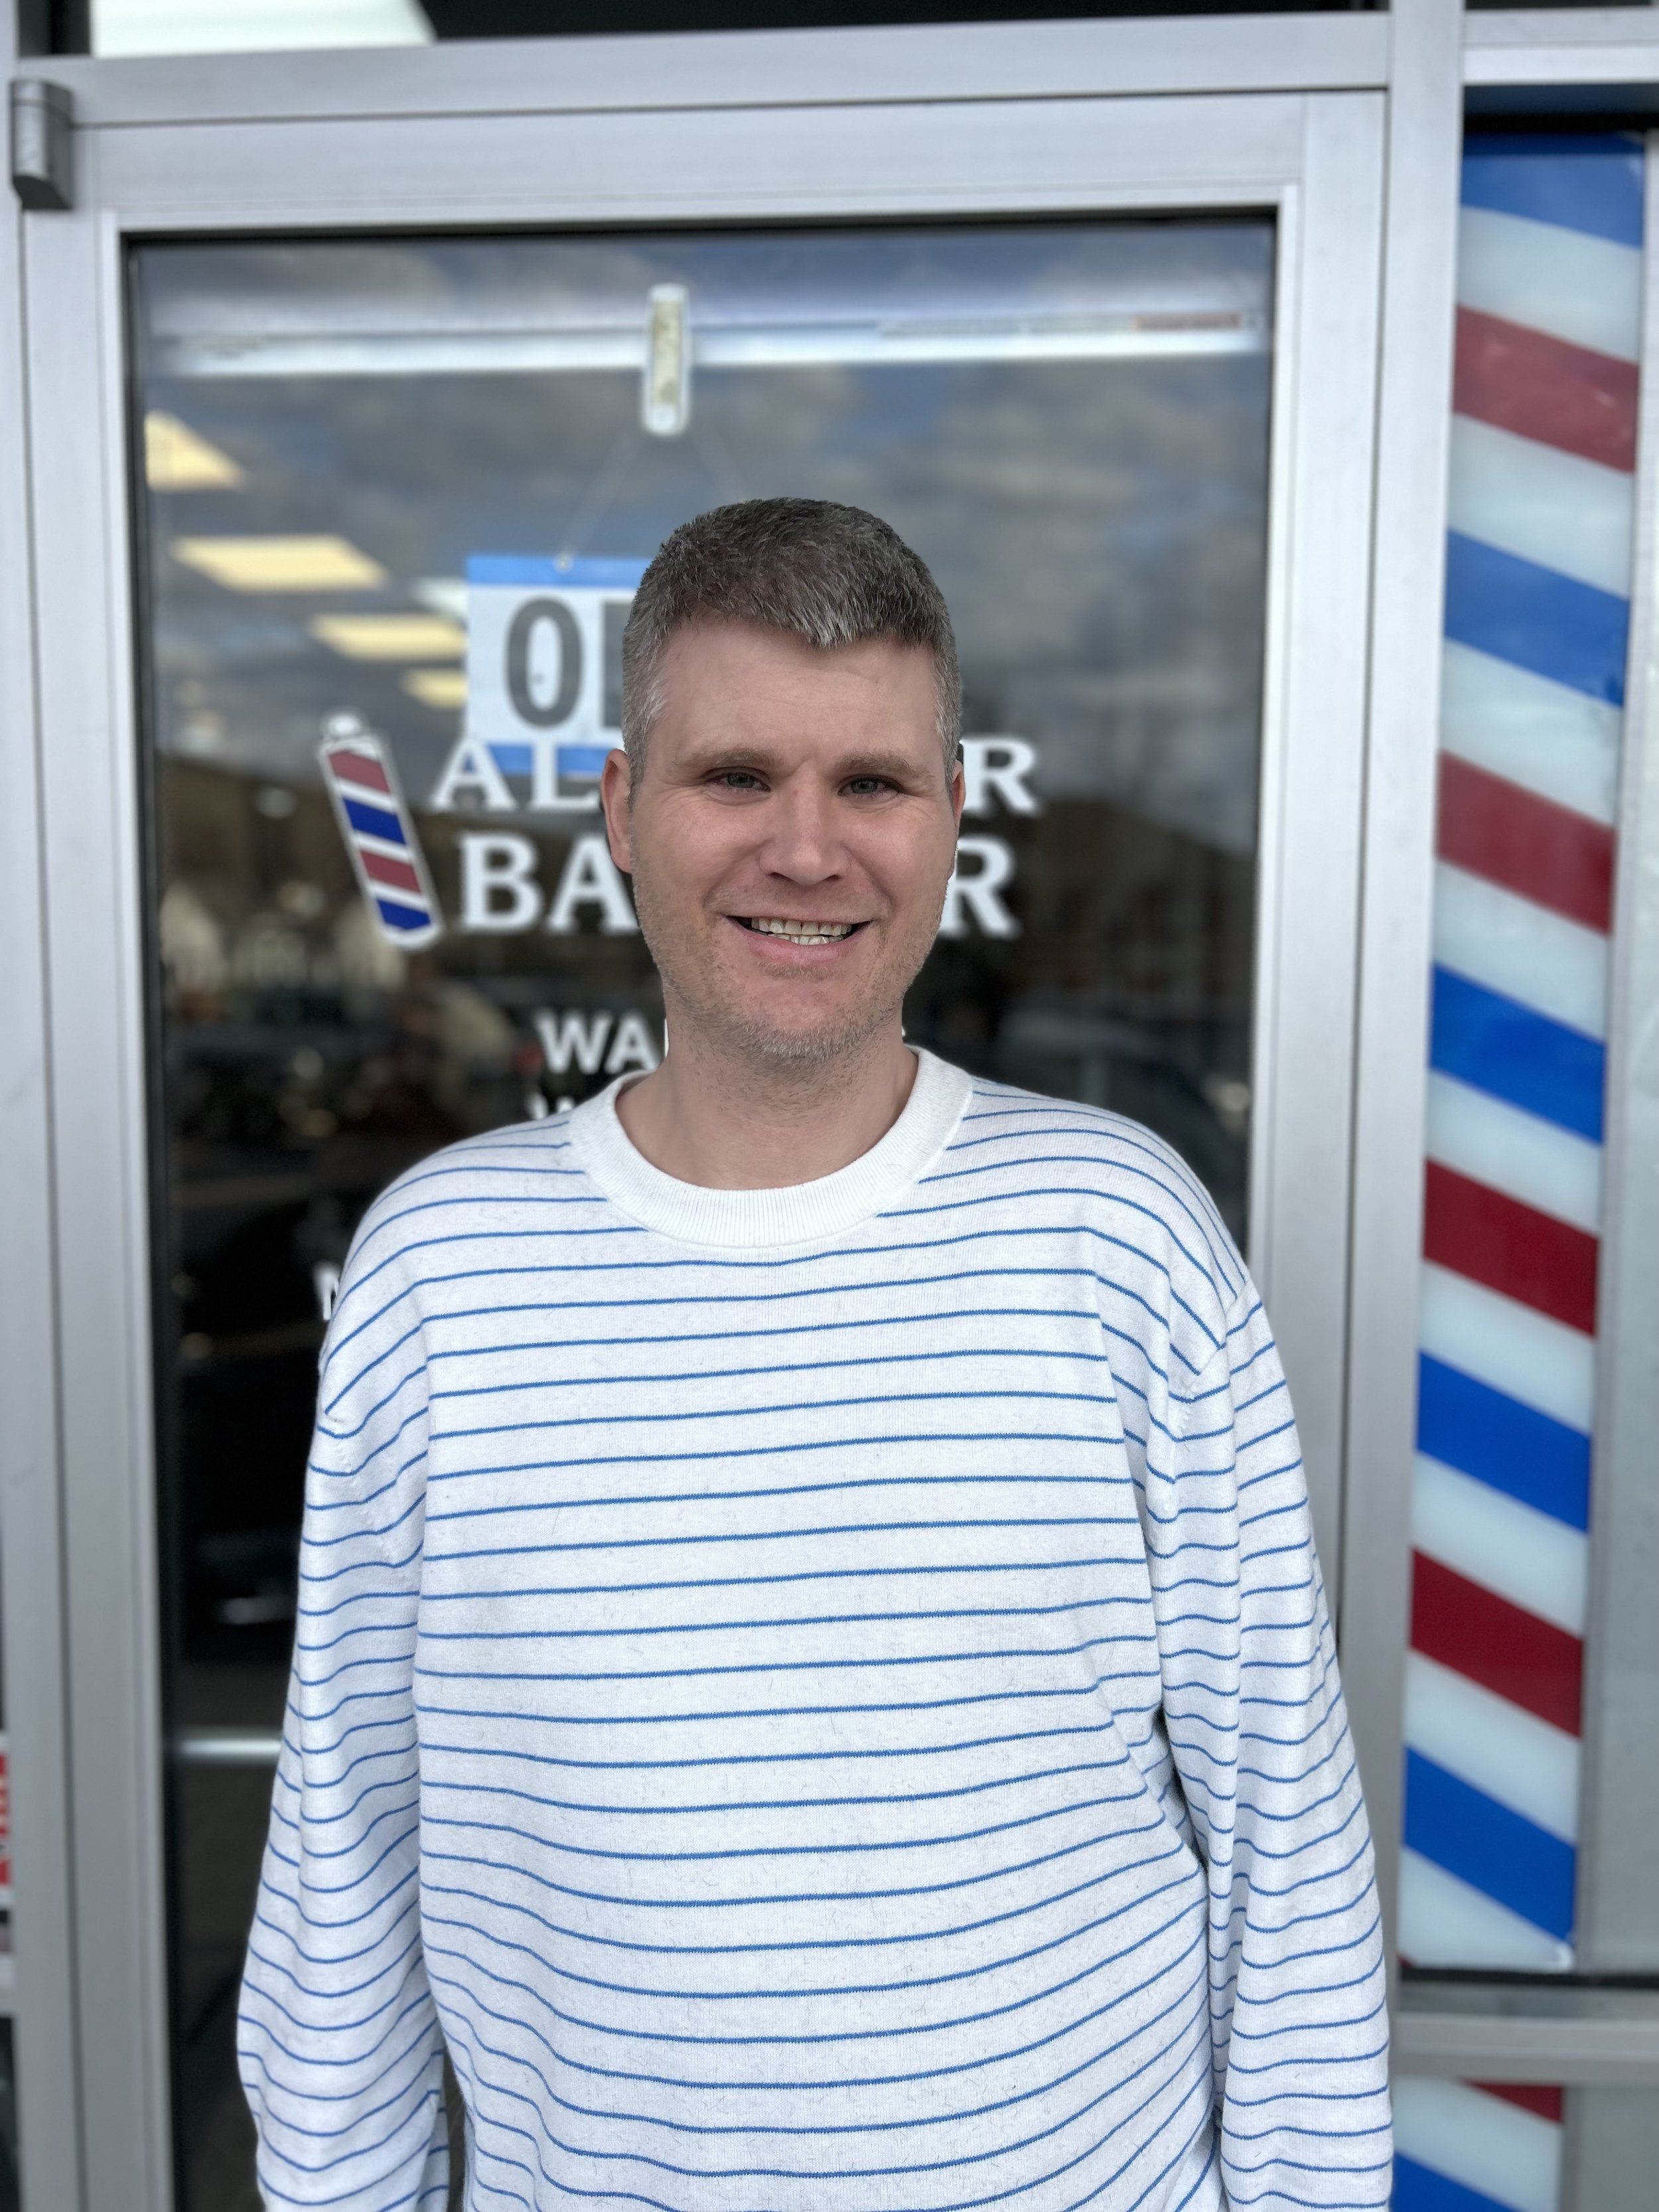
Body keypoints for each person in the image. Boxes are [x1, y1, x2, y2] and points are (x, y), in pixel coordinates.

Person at [240, 498, 1391, 2211]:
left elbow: (1280, 1836)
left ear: (946, 818)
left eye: (871, 784)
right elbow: (349, 1853)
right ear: (624, 812)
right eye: (733, 778)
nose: (805, 848)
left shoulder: (1115, 1234)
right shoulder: (443, 1266)